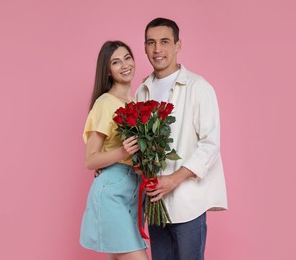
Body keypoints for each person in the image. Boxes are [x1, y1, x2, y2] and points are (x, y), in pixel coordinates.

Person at [135, 18, 228, 260]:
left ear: (178, 45)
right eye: (151, 43)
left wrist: (174, 179)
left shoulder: (199, 87)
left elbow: (210, 144)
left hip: (188, 203)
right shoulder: (141, 90)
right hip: (156, 203)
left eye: (165, 42)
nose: (157, 49)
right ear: (144, 47)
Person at [79, 40, 149, 260]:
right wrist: (122, 152)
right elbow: (90, 160)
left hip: (134, 192)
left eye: (127, 58)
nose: (125, 65)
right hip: (112, 195)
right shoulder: (105, 103)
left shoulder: (137, 100)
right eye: (116, 62)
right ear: (108, 71)